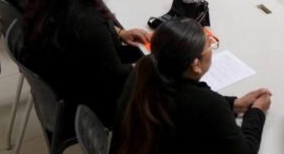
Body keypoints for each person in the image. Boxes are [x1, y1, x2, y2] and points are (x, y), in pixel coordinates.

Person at [24, 0, 150, 127]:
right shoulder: (85, 21)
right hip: (92, 105)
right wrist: (150, 66)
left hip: (69, 81)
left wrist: (120, 33)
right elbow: (116, 77)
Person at [112, 18, 271, 154]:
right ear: (195, 64)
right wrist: (256, 112)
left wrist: (234, 104)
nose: (211, 49)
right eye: (209, 45)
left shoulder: (143, 72)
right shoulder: (208, 105)